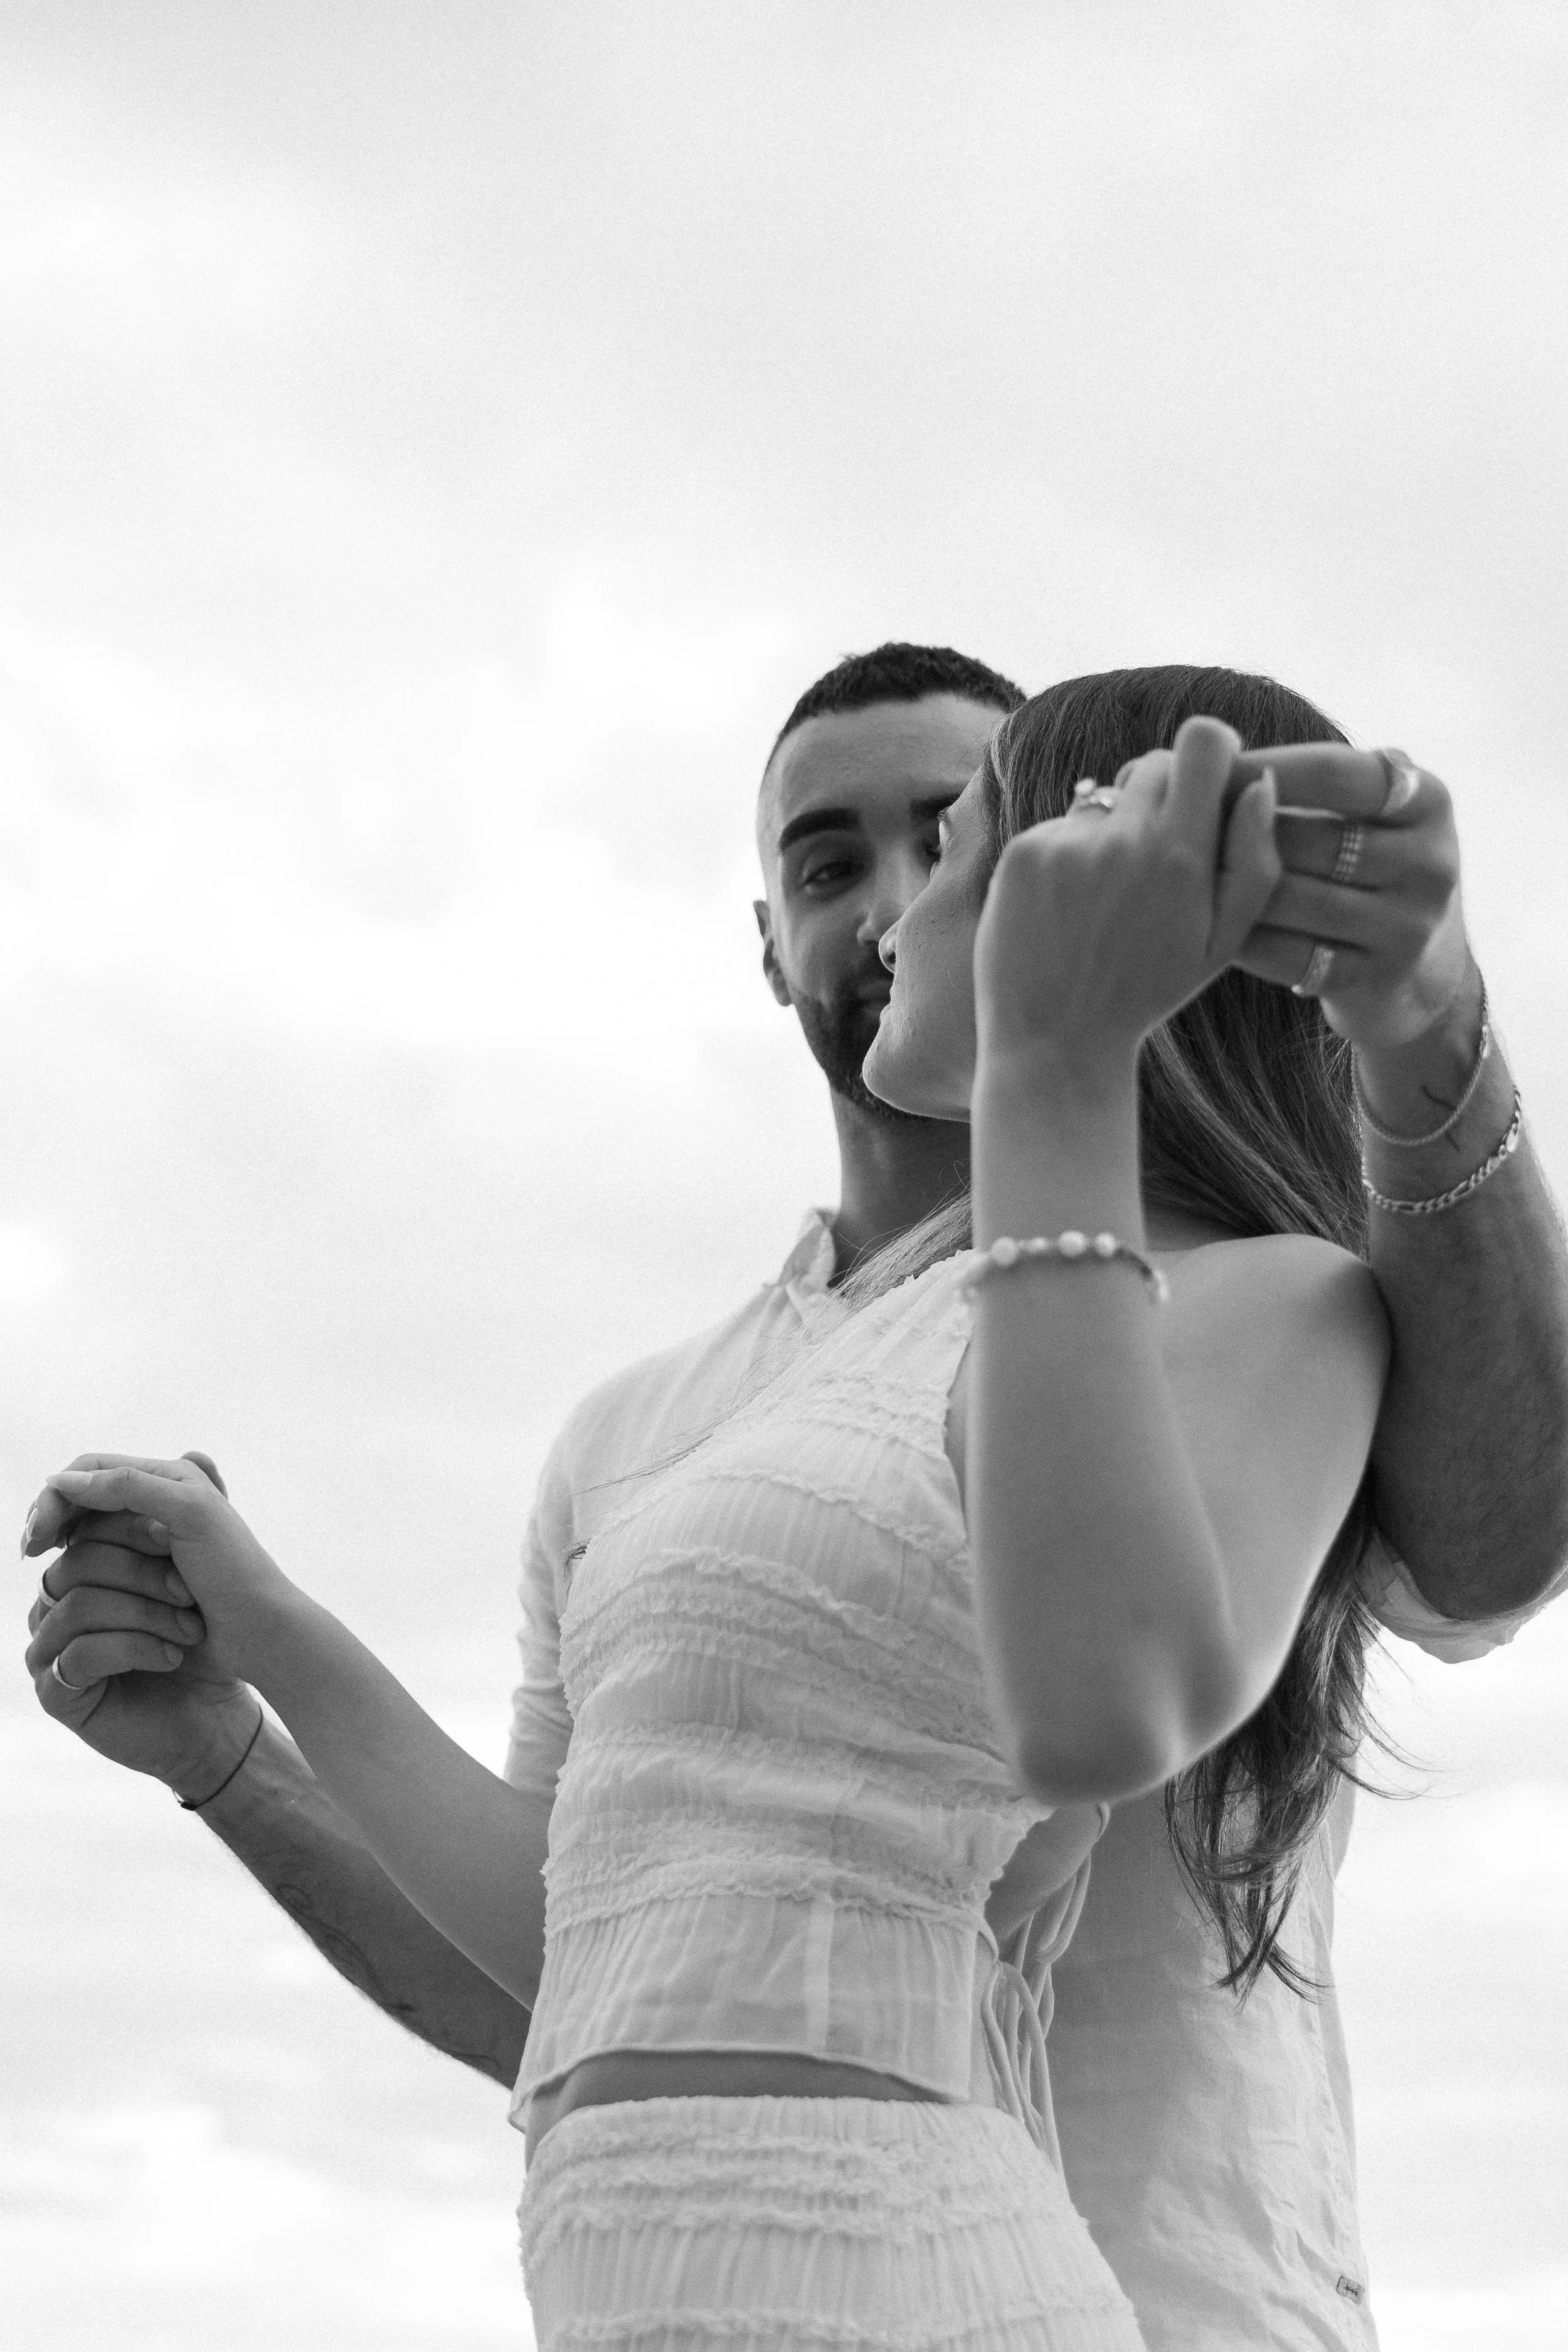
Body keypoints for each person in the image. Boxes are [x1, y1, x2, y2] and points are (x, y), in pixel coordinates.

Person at [24, 647, 1568, 2348]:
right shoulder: (663, 1426)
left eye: (953, 837)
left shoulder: (1262, 1305)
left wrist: (1399, 1037)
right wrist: (255, 1688)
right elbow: (598, 1942)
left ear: (1114, 887)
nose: (896, 906)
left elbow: (1411, 1579)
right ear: (763, 933)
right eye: (829, 863)